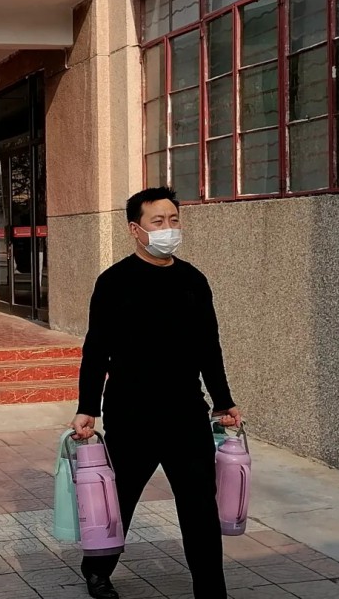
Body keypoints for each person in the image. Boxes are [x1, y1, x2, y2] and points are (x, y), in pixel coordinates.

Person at [70, 187, 242, 599]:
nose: (169, 228)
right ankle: (97, 569)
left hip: (186, 412)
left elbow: (209, 346)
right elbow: (96, 350)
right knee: (121, 498)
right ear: (135, 229)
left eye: (174, 220)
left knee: (199, 507)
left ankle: (211, 591)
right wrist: (87, 407)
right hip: (131, 413)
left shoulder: (193, 280)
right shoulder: (114, 282)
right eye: (158, 221)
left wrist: (222, 401)